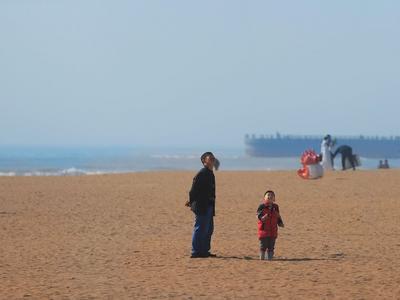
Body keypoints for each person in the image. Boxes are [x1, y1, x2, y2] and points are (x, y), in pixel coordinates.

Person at [185, 152, 216, 258]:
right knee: (200, 228)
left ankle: (204, 251)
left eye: (213, 158)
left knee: (209, 229)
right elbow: (193, 191)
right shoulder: (202, 173)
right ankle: (195, 252)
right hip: (202, 206)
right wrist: (191, 201)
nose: (212, 159)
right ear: (204, 161)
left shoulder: (210, 173)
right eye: (210, 158)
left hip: (209, 205)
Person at [257, 190, 284, 260]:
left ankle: (270, 258)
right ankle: (262, 258)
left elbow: (278, 215)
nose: (270, 196)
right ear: (264, 198)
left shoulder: (276, 207)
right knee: (263, 246)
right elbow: (258, 215)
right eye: (268, 195)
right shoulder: (262, 206)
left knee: (271, 246)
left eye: (272, 195)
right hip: (264, 230)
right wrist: (262, 218)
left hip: (273, 230)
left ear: (274, 199)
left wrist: (280, 222)